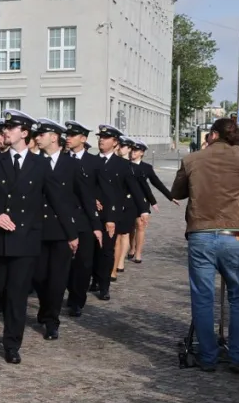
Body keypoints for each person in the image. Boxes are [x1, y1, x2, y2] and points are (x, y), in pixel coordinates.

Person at [170, 117, 239, 373]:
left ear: (214, 135)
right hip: (234, 233)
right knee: (238, 296)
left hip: (201, 232)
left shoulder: (193, 159)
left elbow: (177, 192)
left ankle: (208, 357)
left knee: (202, 297)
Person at [0, 109, 76, 364]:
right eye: (4, 128)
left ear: (24, 133)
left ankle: (12, 343)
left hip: (26, 239)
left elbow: (57, 200)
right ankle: (8, 321)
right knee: (2, 289)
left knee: (17, 293)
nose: (5, 132)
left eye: (11, 128)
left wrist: (71, 233)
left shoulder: (40, 165)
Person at [31, 120, 99, 341]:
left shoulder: (71, 165)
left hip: (62, 229)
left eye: (42, 134)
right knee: (39, 276)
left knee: (57, 279)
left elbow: (85, 197)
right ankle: (45, 307)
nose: (37, 138)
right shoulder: (33, 162)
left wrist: (94, 226)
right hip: (38, 229)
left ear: (54, 137)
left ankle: (52, 321)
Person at [63, 120, 112, 317]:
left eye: (72, 135)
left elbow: (105, 191)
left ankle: (77, 300)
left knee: (84, 264)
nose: (68, 138)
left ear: (83, 139)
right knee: (64, 263)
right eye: (67, 135)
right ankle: (68, 290)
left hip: (86, 218)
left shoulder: (94, 162)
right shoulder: (61, 159)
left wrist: (105, 218)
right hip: (64, 218)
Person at [94, 126, 147, 300]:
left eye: (106, 138)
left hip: (111, 215)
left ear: (115, 142)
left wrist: (144, 209)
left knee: (107, 251)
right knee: (90, 251)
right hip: (91, 214)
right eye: (100, 137)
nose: (101, 140)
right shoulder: (92, 161)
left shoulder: (123, 165)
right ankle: (93, 279)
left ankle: (104, 286)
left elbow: (134, 188)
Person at [128, 140, 179, 264]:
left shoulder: (147, 168)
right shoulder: (125, 165)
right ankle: (132, 247)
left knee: (140, 225)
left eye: (136, 150)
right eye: (132, 150)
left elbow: (157, 183)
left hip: (143, 199)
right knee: (130, 227)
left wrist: (170, 197)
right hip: (128, 199)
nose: (132, 152)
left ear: (142, 153)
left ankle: (138, 253)